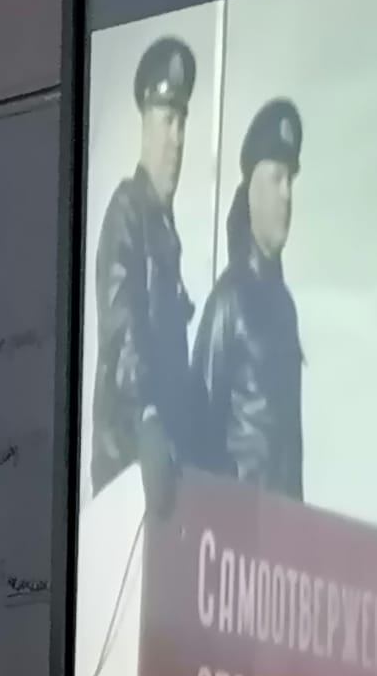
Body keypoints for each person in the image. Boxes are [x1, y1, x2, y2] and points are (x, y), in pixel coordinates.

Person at [89, 36, 197, 518]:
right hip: (126, 472)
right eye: (167, 120)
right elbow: (122, 329)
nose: (177, 139)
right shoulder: (126, 213)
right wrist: (148, 418)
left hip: (163, 474)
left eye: (182, 122)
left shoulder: (167, 235)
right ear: (146, 125)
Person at [191, 99, 305, 501]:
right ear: (252, 189)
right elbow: (197, 433)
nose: (287, 194)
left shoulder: (285, 309)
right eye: (277, 179)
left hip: (283, 531)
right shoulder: (228, 303)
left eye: (291, 180)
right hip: (237, 529)